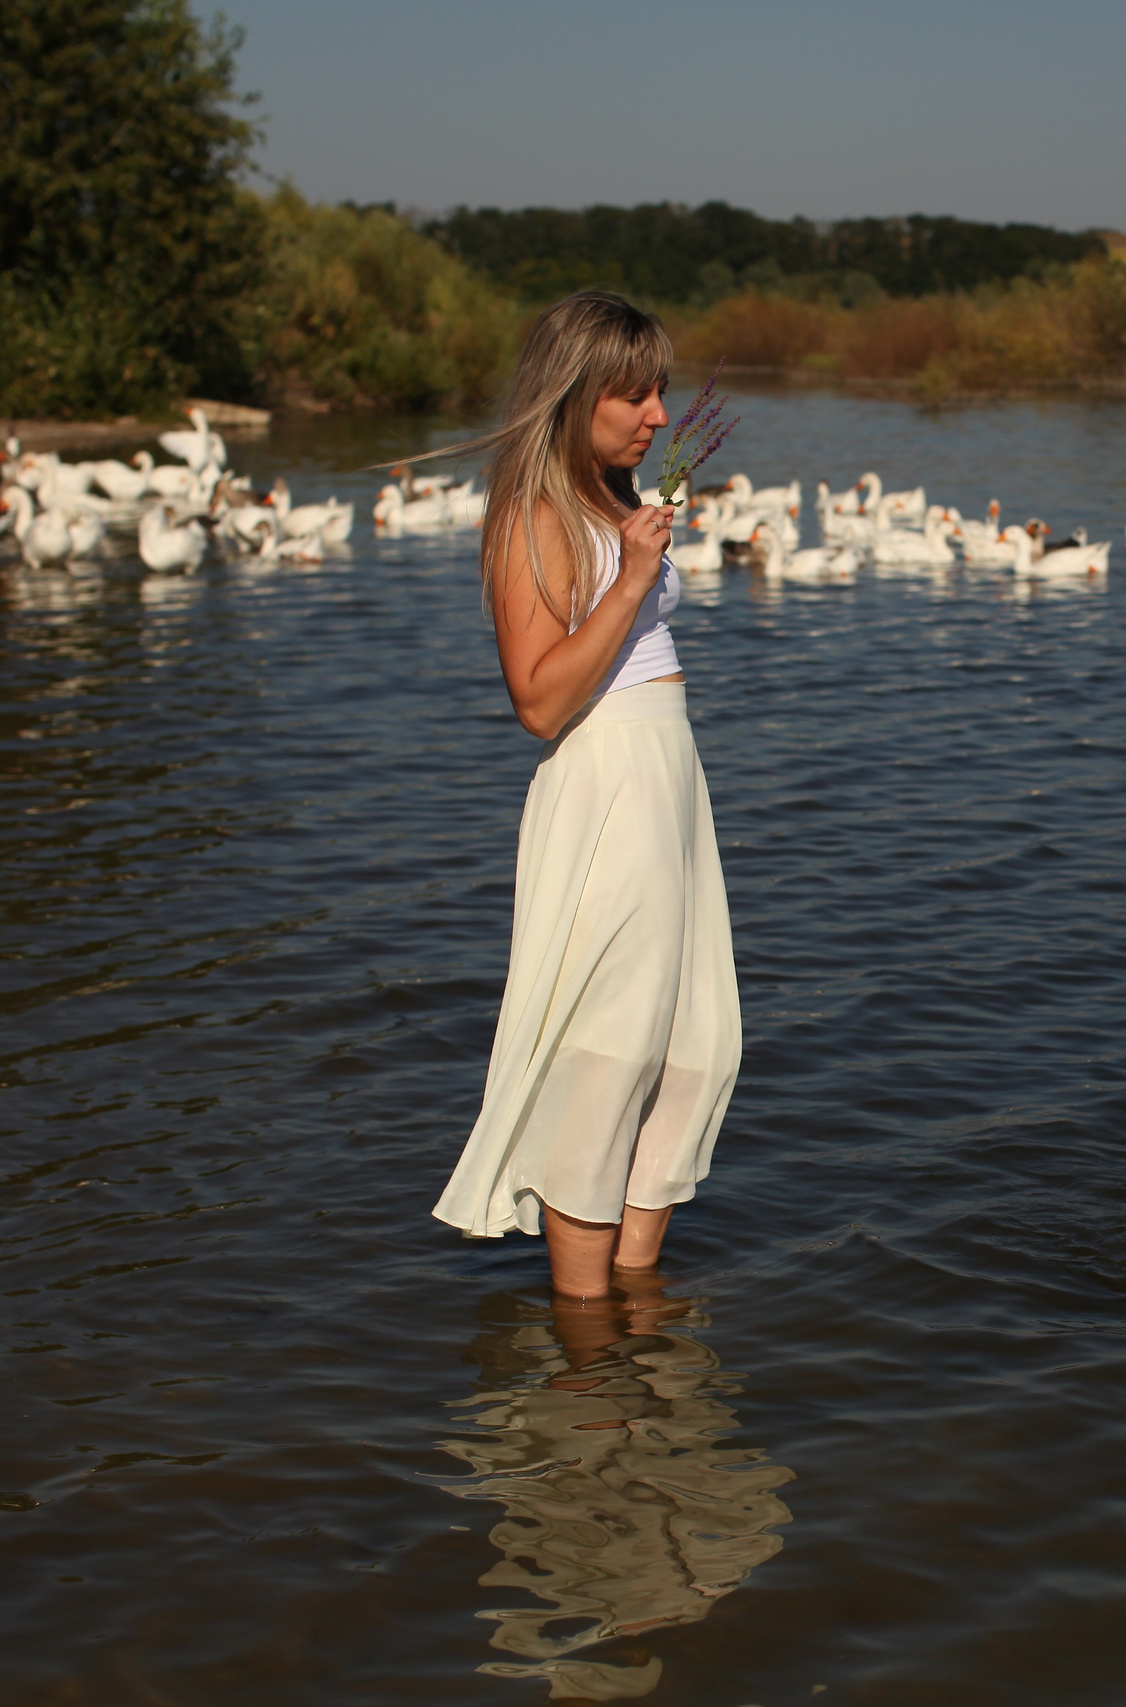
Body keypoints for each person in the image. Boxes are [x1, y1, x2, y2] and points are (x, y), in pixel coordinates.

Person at [432, 290, 741, 1300]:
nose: (659, 414)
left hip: (669, 783)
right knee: (607, 1054)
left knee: (693, 1050)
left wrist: (637, 550)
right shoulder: (535, 513)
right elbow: (538, 701)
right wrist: (632, 577)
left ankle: (635, 1300)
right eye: (634, 395)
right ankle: (584, 1328)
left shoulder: (616, 499)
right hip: (608, 785)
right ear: (575, 396)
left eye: (661, 392)